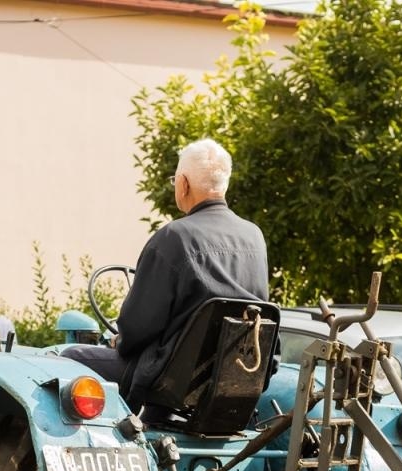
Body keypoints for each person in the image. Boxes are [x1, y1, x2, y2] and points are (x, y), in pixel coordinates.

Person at [65, 139, 268, 413]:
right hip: (236, 375)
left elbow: (137, 326)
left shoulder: (175, 237)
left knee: (68, 357)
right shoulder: (254, 237)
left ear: (183, 183)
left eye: (175, 180)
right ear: (224, 185)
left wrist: (121, 340)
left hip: (170, 378)